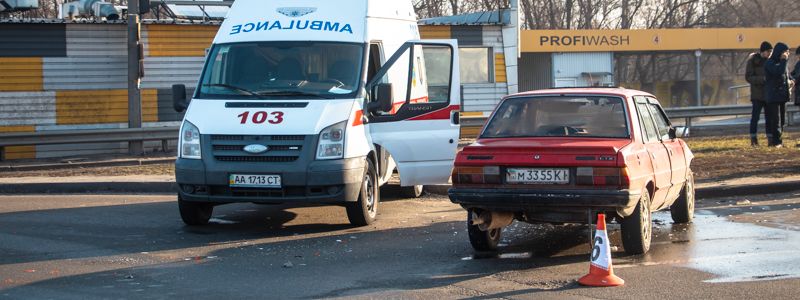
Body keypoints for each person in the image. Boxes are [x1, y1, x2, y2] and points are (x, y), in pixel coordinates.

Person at [764, 42, 793, 148]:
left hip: (782, 96)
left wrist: (791, 80)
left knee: (782, 120)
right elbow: (778, 72)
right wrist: (783, 60)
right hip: (773, 96)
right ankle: (776, 142)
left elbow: (786, 75)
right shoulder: (770, 63)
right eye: (786, 52)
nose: (787, 54)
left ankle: (780, 140)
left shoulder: (783, 63)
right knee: (776, 120)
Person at [746, 42, 772, 146]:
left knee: (769, 118)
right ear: (763, 51)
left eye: (771, 51)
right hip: (757, 95)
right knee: (755, 118)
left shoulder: (771, 61)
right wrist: (762, 79)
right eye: (768, 51)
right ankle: (753, 139)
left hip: (769, 94)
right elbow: (748, 77)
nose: (770, 53)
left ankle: (770, 139)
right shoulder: (753, 61)